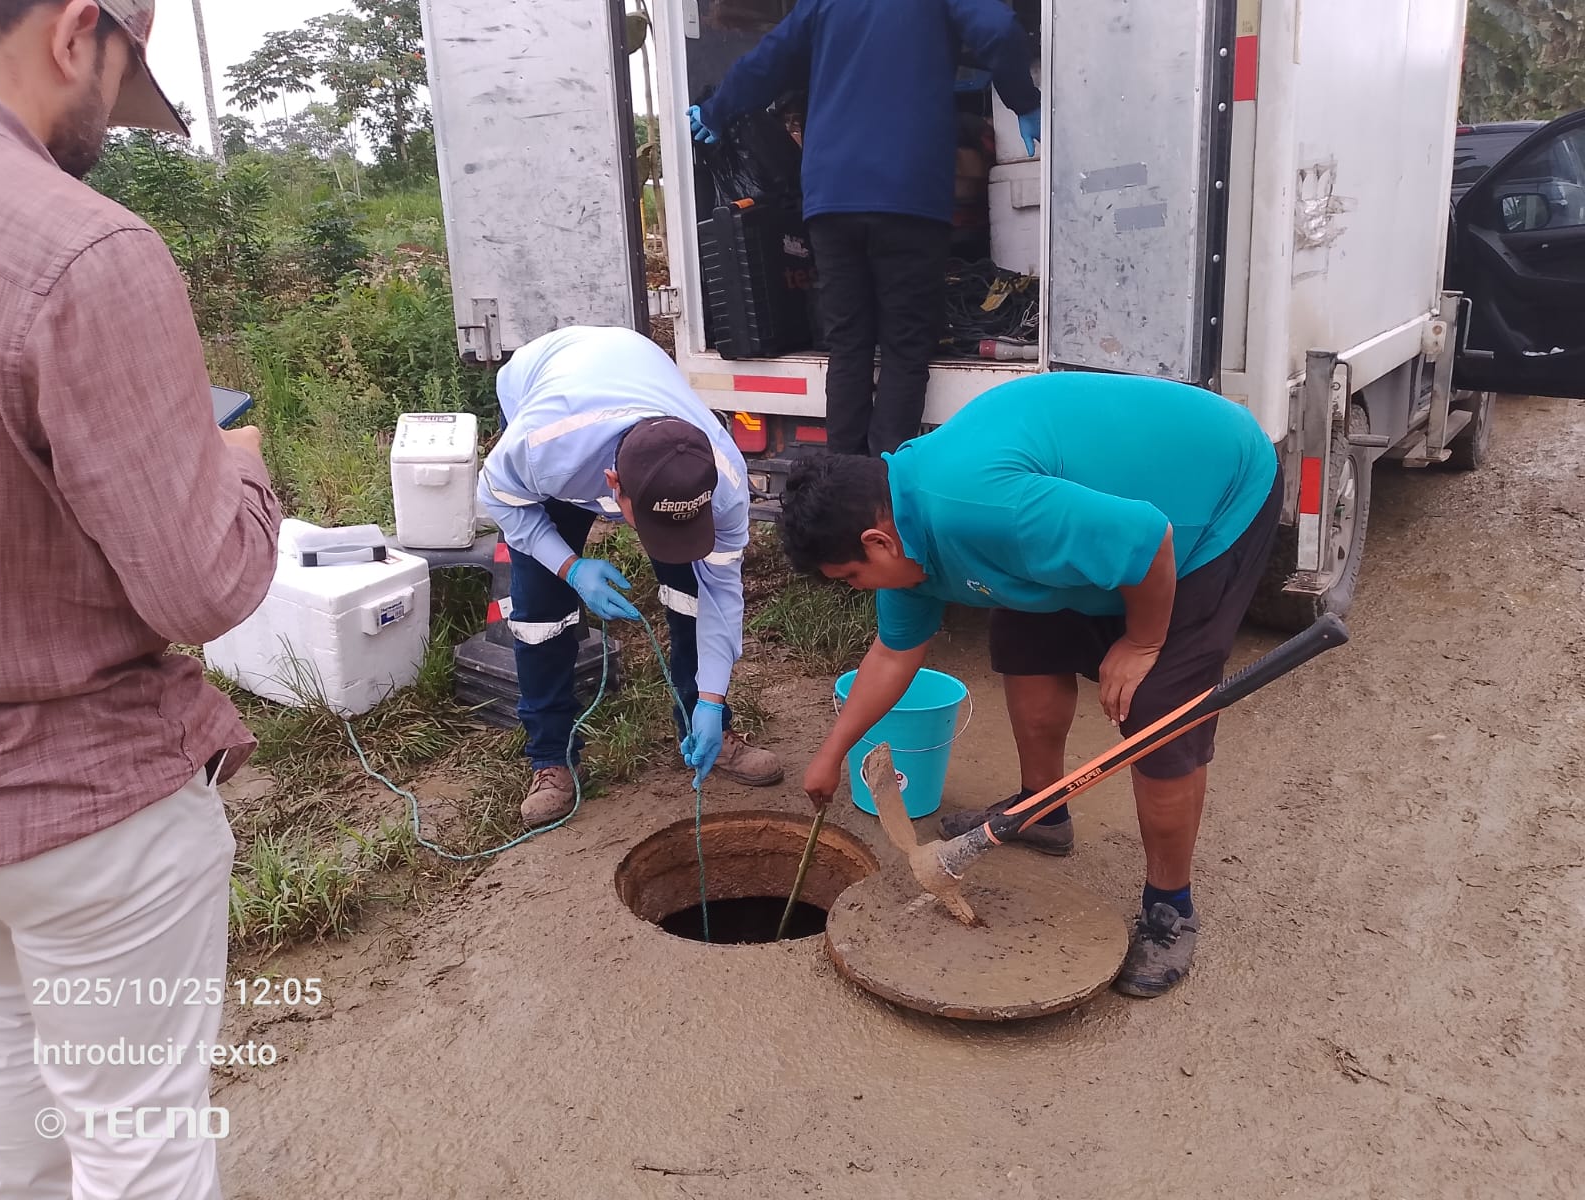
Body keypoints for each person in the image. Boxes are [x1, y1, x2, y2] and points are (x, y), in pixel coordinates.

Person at [0, 2, 283, 1195]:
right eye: (118, 84)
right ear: (76, 33)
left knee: (8, 1138)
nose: (108, 123)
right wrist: (241, 473)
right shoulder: (80, 248)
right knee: (137, 1145)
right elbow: (200, 585)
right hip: (88, 812)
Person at [779, 372, 1281, 997]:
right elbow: (892, 653)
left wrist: (1141, 642)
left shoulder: (986, 510)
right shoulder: (905, 535)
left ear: (876, 541)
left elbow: (1148, 537)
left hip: (1210, 492)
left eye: (852, 577)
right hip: (1091, 503)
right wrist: (831, 755)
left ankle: (1169, 906)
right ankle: (1043, 810)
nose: (858, 589)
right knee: (1024, 638)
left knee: (1159, 711)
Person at [688, 0, 1041, 457]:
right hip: (909, 197)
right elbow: (997, 28)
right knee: (904, 347)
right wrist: (1023, 100)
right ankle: (881, 485)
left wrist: (716, 111)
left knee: (848, 345)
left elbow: (768, 59)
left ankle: (840, 481)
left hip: (832, 199)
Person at [477, 326, 784, 825]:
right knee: (540, 612)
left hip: (631, 378)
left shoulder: (722, 478)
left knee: (693, 594)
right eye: (658, 527)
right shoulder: (540, 449)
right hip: (550, 395)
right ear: (614, 487)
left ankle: (705, 727)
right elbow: (499, 499)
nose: (671, 541)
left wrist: (712, 698)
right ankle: (552, 758)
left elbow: (722, 594)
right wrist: (570, 567)